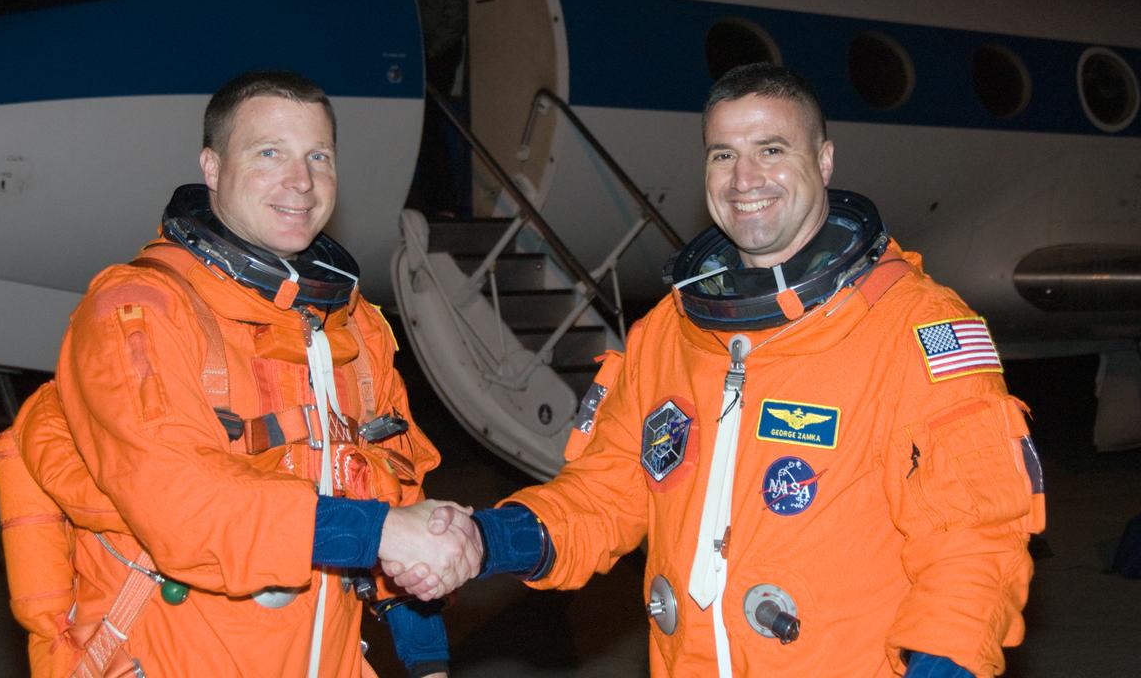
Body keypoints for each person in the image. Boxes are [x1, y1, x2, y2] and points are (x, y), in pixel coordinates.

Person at [390, 64, 1046, 677]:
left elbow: (974, 540)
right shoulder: (670, 334)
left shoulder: (913, 327)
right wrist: (485, 539)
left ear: (822, 160)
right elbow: (604, 494)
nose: (744, 178)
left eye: (771, 149)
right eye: (722, 154)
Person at [0, 70, 478, 678]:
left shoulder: (354, 327)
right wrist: (379, 533)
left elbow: (393, 489)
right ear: (213, 167)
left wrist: (426, 656)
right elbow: (181, 503)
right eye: (269, 152)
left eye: (318, 156)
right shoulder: (137, 312)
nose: (300, 182)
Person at [398, 0, 468, 216]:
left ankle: (444, 203)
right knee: (413, 127)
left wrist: (433, 51)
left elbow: (456, 15)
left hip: (437, 53)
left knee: (429, 129)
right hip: (416, 52)